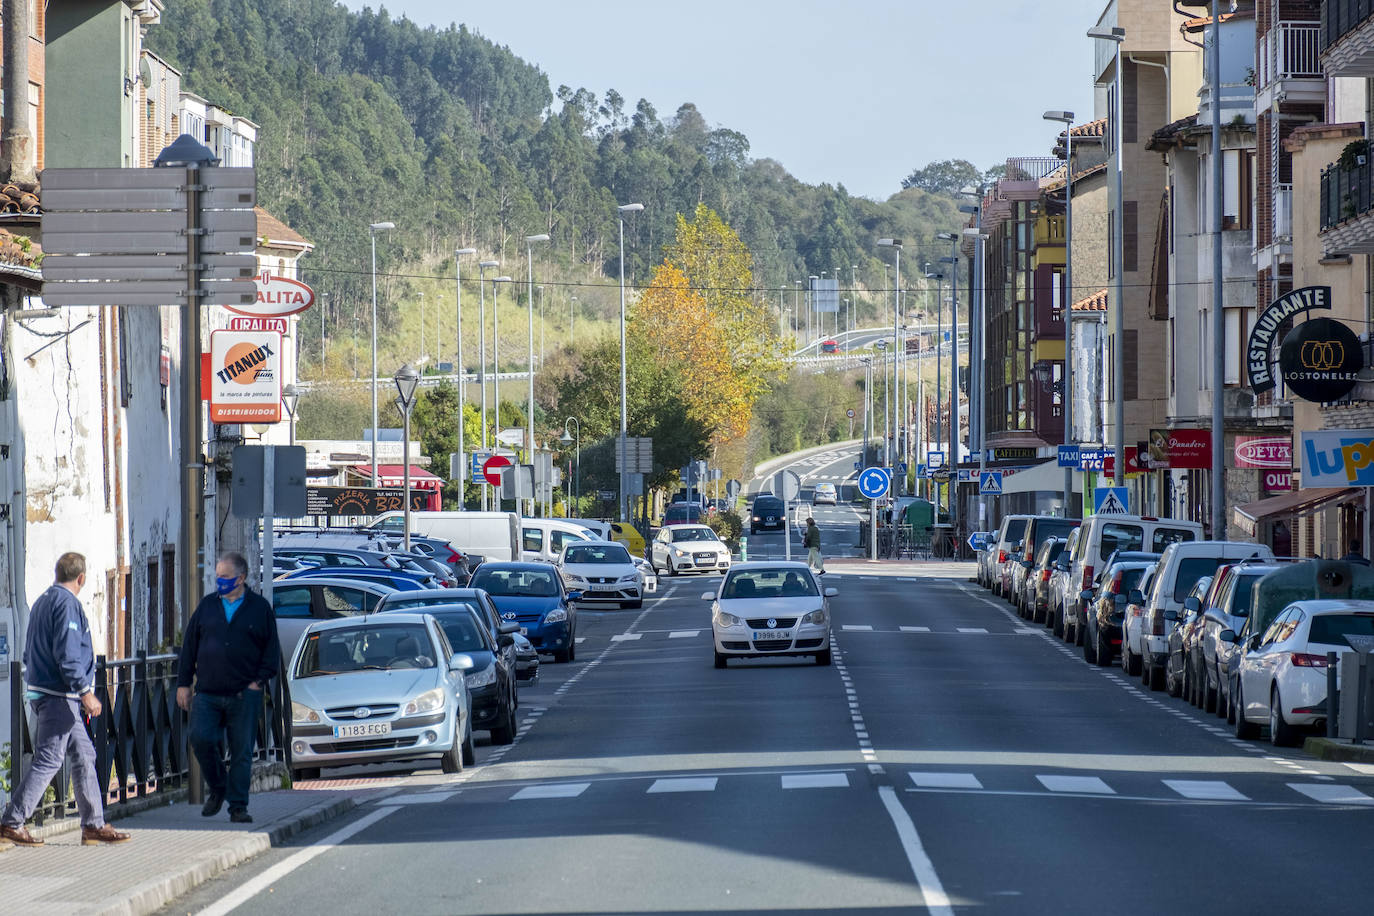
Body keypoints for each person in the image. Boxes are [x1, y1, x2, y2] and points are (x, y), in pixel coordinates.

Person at [0, 552, 131, 846]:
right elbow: (68, 654)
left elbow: (29, 650)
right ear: (81, 578)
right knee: (49, 759)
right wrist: (85, 692)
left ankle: (93, 824)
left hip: (45, 690)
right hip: (60, 695)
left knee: (85, 755)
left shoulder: (42, 601)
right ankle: (12, 822)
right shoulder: (67, 604)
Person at [177, 552, 280, 824]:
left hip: (244, 693)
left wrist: (258, 682)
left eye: (224, 577)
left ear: (241, 578)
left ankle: (238, 807)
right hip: (208, 691)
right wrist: (183, 683)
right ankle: (218, 785)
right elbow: (190, 646)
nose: (219, 581)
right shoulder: (208, 606)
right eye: (217, 576)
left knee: (241, 751)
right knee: (200, 738)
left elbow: (271, 653)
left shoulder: (259, 608)